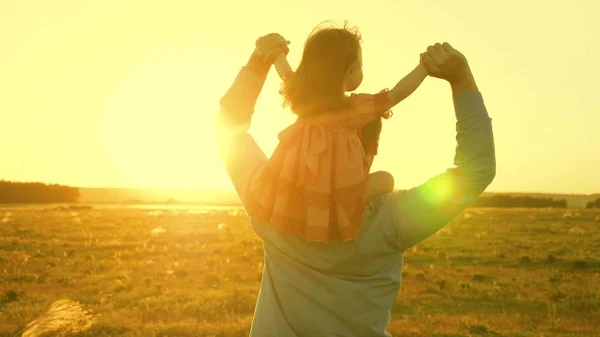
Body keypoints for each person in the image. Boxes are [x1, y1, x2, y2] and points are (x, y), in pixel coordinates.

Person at [216, 31, 496, 337]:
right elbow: (475, 172)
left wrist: (260, 62)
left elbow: (229, 129)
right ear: (368, 151)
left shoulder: (269, 198)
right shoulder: (391, 219)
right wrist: (461, 79)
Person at [245, 25, 429, 243]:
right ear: (349, 71)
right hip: (335, 201)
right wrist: (424, 68)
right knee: (386, 180)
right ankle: (337, 215)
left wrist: (276, 53)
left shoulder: (300, 96)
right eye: (359, 65)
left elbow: (283, 69)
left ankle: (302, 213)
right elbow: (398, 93)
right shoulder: (352, 108)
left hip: (296, 191)